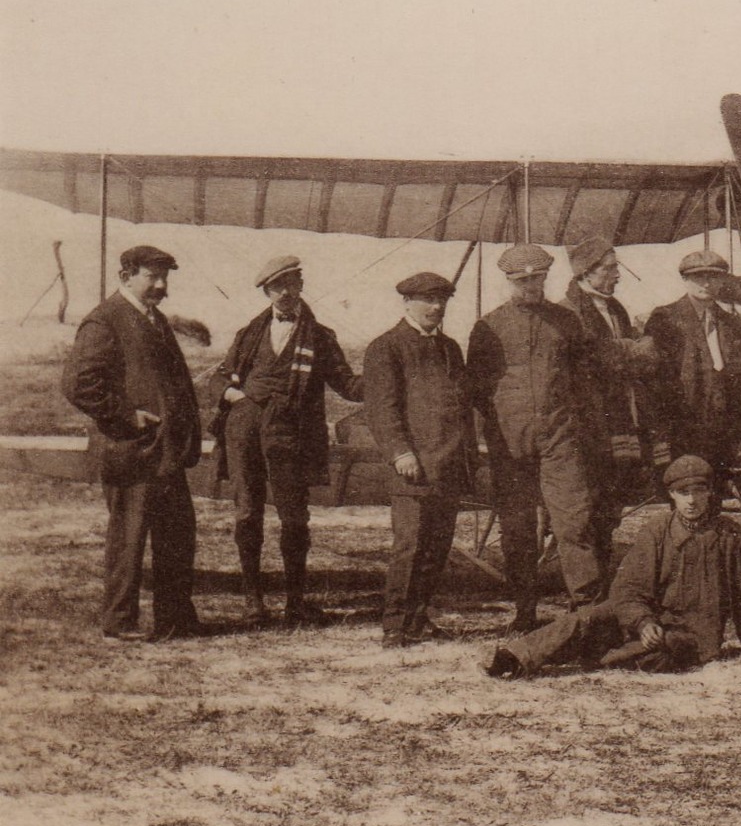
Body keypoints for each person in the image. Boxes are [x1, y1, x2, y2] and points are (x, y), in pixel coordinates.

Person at [485, 455, 741, 677]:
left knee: (655, 654)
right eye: (683, 492)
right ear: (671, 496)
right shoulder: (656, 531)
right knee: (587, 619)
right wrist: (644, 621)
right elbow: (629, 589)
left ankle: (591, 658)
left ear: (710, 492)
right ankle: (514, 656)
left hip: (688, 634)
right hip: (644, 617)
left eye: (699, 491)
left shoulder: (730, 536)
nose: (692, 500)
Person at [208, 255, 363, 627]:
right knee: (247, 512)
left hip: (291, 435)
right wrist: (236, 397)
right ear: (267, 292)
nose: (287, 292)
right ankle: (253, 601)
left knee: (294, 518)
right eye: (279, 286)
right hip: (244, 431)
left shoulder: (321, 337)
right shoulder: (249, 334)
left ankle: (295, 601)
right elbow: (220, 378)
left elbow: (347, 384)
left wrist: (384, 379)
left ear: (301, 286)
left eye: (294, 283)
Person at [62, 245, 204, 641]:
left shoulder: (154, 319)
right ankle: (119, 622)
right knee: (129, 537)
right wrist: (126, 416)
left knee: (177, 534)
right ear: (125, 277)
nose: (160, 286)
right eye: (151, 277)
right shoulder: (104, 321)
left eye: (164, 278)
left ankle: (175, 620)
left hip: (164, 452)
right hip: (130, 451)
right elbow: (78, 384)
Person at [467, 244, 604, 630]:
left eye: (537, 278)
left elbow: (583, 379)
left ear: (546, 278)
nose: (530, 286)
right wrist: (501, 426)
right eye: (522, 280)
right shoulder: (489, 327)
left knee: (573, 522)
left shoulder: (566, 321)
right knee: (517, 526)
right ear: (510, 282)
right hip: (510, 443)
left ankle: (586, 609)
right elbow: (477, 387)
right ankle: (525, 611)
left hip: (560, 437)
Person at [364, 272, 478, 647]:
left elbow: (461, 409)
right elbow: (382, 410)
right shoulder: (386, 347)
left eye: (442, 301)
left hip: (447, 466)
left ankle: (418, 618)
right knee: (409, 547)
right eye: (428, 300)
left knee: (436, 548)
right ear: (407, 302)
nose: (436, 307)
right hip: (412, 468)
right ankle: (394, 626)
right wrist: (400, 452)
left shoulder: (450, 348)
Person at [562, 236, 658, 566]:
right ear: (586, 272)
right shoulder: (570, 311)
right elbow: (602, 359)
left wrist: (629, 352)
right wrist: (634, 349)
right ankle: (592, 580)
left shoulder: (614, 308)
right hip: (591, 423)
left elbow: (628, 357)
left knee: (611, 501)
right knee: (591, 502)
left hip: (619, 415)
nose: (617, 275)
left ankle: (602, 571)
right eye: (610, 268)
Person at [644, 250, 741, 486]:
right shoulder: (665, 319)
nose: (706, 283)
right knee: (686, 493)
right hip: (681, 430)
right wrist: (659, 436)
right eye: (698, 277)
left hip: (721, 431)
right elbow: (653, 382)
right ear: (684, 279)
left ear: (722, 280)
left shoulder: (731, 324)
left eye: (713, 277)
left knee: (715, 494)